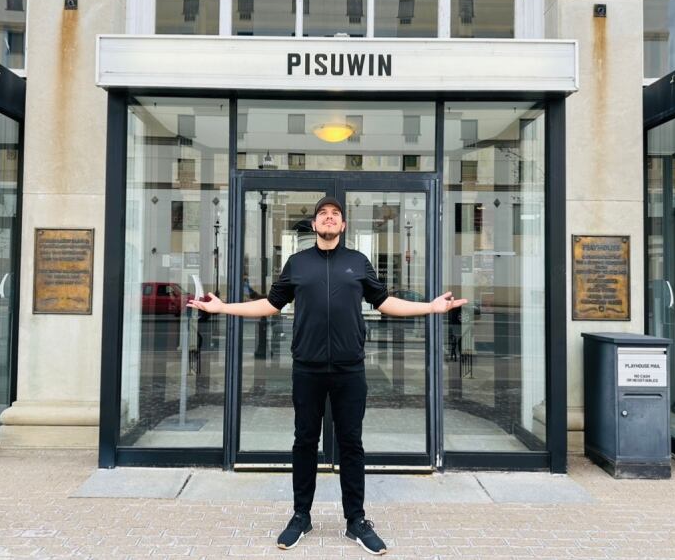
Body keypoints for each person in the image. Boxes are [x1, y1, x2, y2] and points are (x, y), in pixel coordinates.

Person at [188, 197, 467, 556]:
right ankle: (300, 516)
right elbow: (269, 305)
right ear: (314, 225)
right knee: (304, 442)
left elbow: (386, 302)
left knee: (351, 444)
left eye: (335, 214)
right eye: (323, 214)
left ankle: (356, 521)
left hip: (350, 369)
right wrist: (222, 306)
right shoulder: (297, 264)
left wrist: (431, 306)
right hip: (308, 368)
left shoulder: (358, 263)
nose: (329, 218)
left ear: (343, 225)